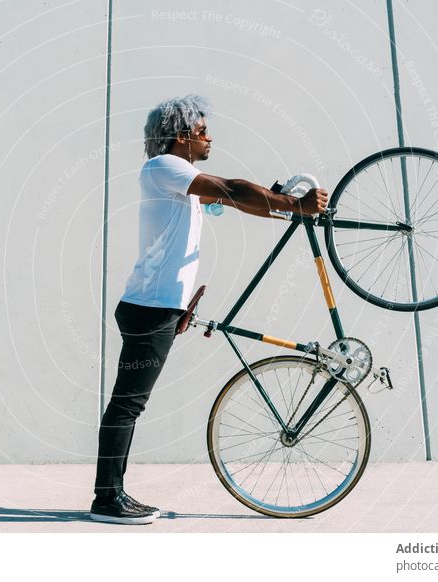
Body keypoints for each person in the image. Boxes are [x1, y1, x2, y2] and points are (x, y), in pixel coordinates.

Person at [90, 95, 328, 524]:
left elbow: (238, 200)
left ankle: (111, 495)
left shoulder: (183, 179)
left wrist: (286, 208)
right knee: (127, 405)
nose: (209, 137)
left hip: (158, 308)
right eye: (202, 131)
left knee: (129, 403)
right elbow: (233, 189)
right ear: (181, 136)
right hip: (148, 309)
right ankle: (107, 500)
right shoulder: (163, 166)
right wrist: (296, 205)